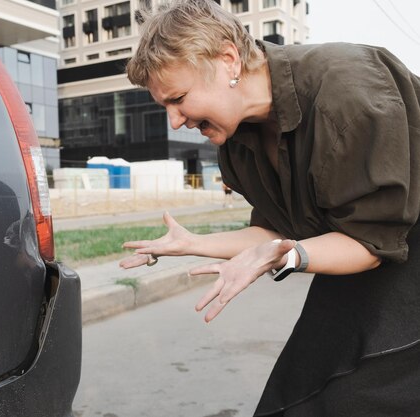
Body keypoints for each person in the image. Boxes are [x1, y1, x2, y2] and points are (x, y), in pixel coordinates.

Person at [119, 0, 420, 415]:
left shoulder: (347, 93)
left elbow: (371, 243)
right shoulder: (237, 140)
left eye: (179, 99)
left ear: (228, 60)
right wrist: (194, 243)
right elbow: (273, 232)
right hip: (376, 249)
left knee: (360, 391)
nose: (175, 121)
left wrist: (292, 254)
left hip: (398, 246)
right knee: (300, 386)